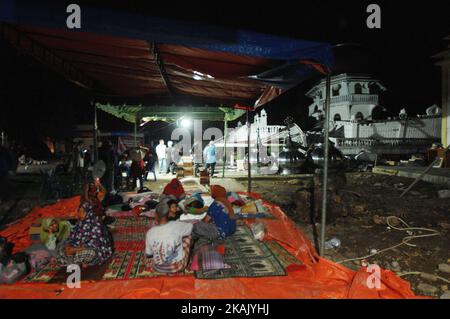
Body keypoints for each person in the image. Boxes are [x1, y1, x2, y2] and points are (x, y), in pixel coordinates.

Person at [56, 192, 113, 268]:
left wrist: (75, 250)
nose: (79, 213)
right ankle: (73, 260)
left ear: (88, 212)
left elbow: (95, 245)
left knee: (90, 253)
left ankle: (69, 260)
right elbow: (71, 237)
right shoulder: (79, 224)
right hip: (76, 249)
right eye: (79, 211)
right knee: (60, 247)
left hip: (91, 250)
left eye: (82, 211)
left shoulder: (95, 225)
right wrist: (68, 246)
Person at [145, 202, 193, 273]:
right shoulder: (177, 225)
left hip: (158, 267)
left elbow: (149, 254)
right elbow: (191, 227)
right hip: (178, 266)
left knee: (149, 248)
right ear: (169, 214)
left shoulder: (150, 232)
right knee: (188, 237)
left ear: (156, 215)